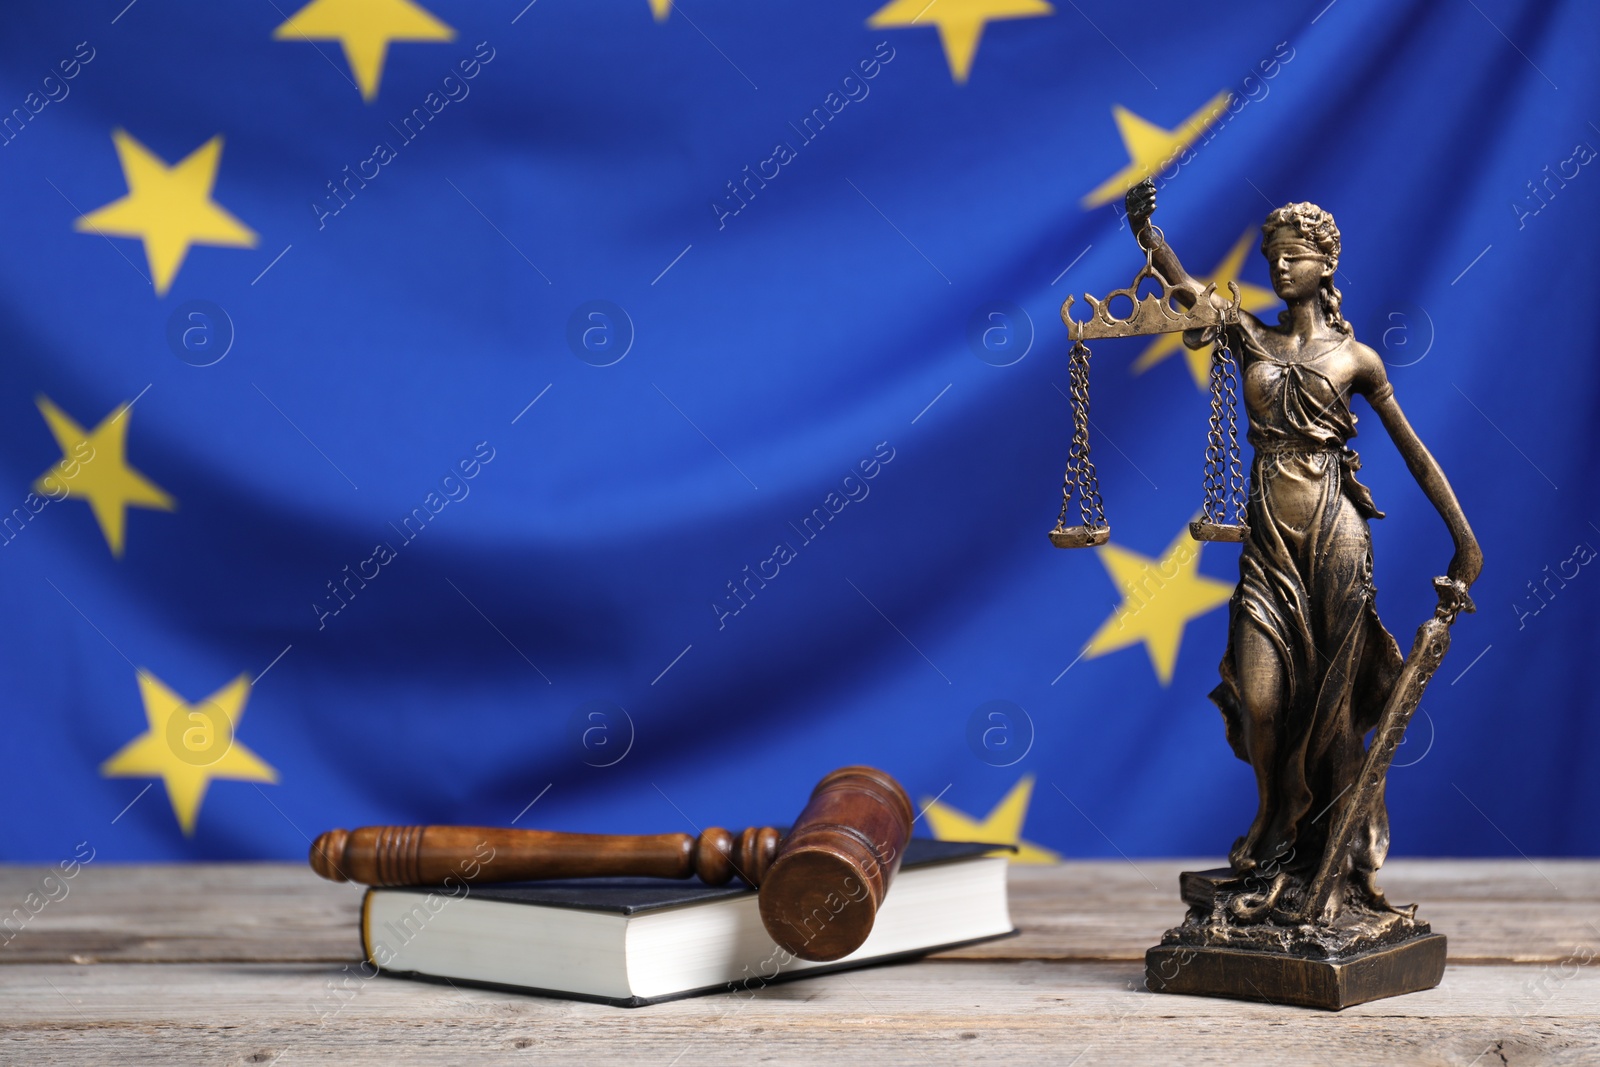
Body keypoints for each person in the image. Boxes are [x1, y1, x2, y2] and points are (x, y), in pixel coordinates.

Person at [1123, 179, 1482, 914]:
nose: (1280, 268)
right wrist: (1148, 236)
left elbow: (1414, 453)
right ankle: (1271, 820)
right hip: (1267, 543)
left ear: (1325, 265)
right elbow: (1188, 293)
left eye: (1294, 257)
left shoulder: (1357, 360)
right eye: (1271, 257)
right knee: (1261, 699)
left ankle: (1329, 855)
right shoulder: (1250, 334)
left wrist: (1464, 543)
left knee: (1334, 705)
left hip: (1334, 537)